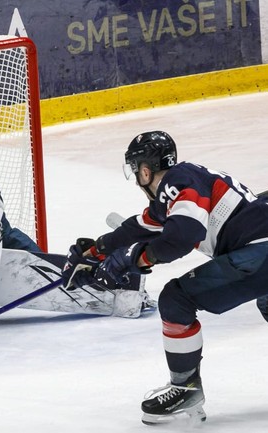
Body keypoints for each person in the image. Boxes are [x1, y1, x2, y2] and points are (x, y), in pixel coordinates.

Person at [63, 131, 268, 425]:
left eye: (136, 171)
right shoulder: (180, 186)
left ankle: (185, 388)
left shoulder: (177, 183)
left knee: (177, 299)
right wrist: (97, 250)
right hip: (260, 247)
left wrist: (133, 259)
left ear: (145, 171)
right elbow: (139, 228)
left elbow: (181, 238)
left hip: (261, 251)